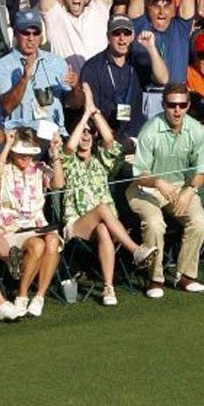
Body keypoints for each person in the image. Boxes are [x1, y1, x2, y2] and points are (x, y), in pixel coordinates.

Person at [62, 86, 157, 306]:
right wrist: (85, 115)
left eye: (90, 131)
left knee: (104, 228)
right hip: (77, 226)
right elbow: (68, 147)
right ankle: (135, 250)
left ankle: (108, 288)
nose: (86, 135)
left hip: (105, 226)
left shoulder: (100, 160)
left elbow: (110, 141)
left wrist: (94, 112)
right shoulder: (68, 162)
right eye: (82, 131)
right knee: (103, 209)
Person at [128, 83, 204, 297]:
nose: (177, 110)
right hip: (145, 189)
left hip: (180, 188)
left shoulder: (197, 130)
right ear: (164, 104)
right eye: (172, 105)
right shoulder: (149, 130)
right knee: (155, 224)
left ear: (188, 105)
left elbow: (202, 170)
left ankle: (184, 275)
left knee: (200, 221)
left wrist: (190, 190)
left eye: (182, 105)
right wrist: (158, 183)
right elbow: (138, 175)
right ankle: (155, 279)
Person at [0, 128, 64, 319]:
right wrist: (7, 145)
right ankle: (22, 294)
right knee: (38, 244)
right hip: (10, 229)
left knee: (52, 241)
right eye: (22, 153)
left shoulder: (39, 168)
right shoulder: (4, 166)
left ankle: (38, 296)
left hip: (37, 224)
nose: (26, 158)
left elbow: (58, 184)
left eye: (29, 154)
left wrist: (55, 152)